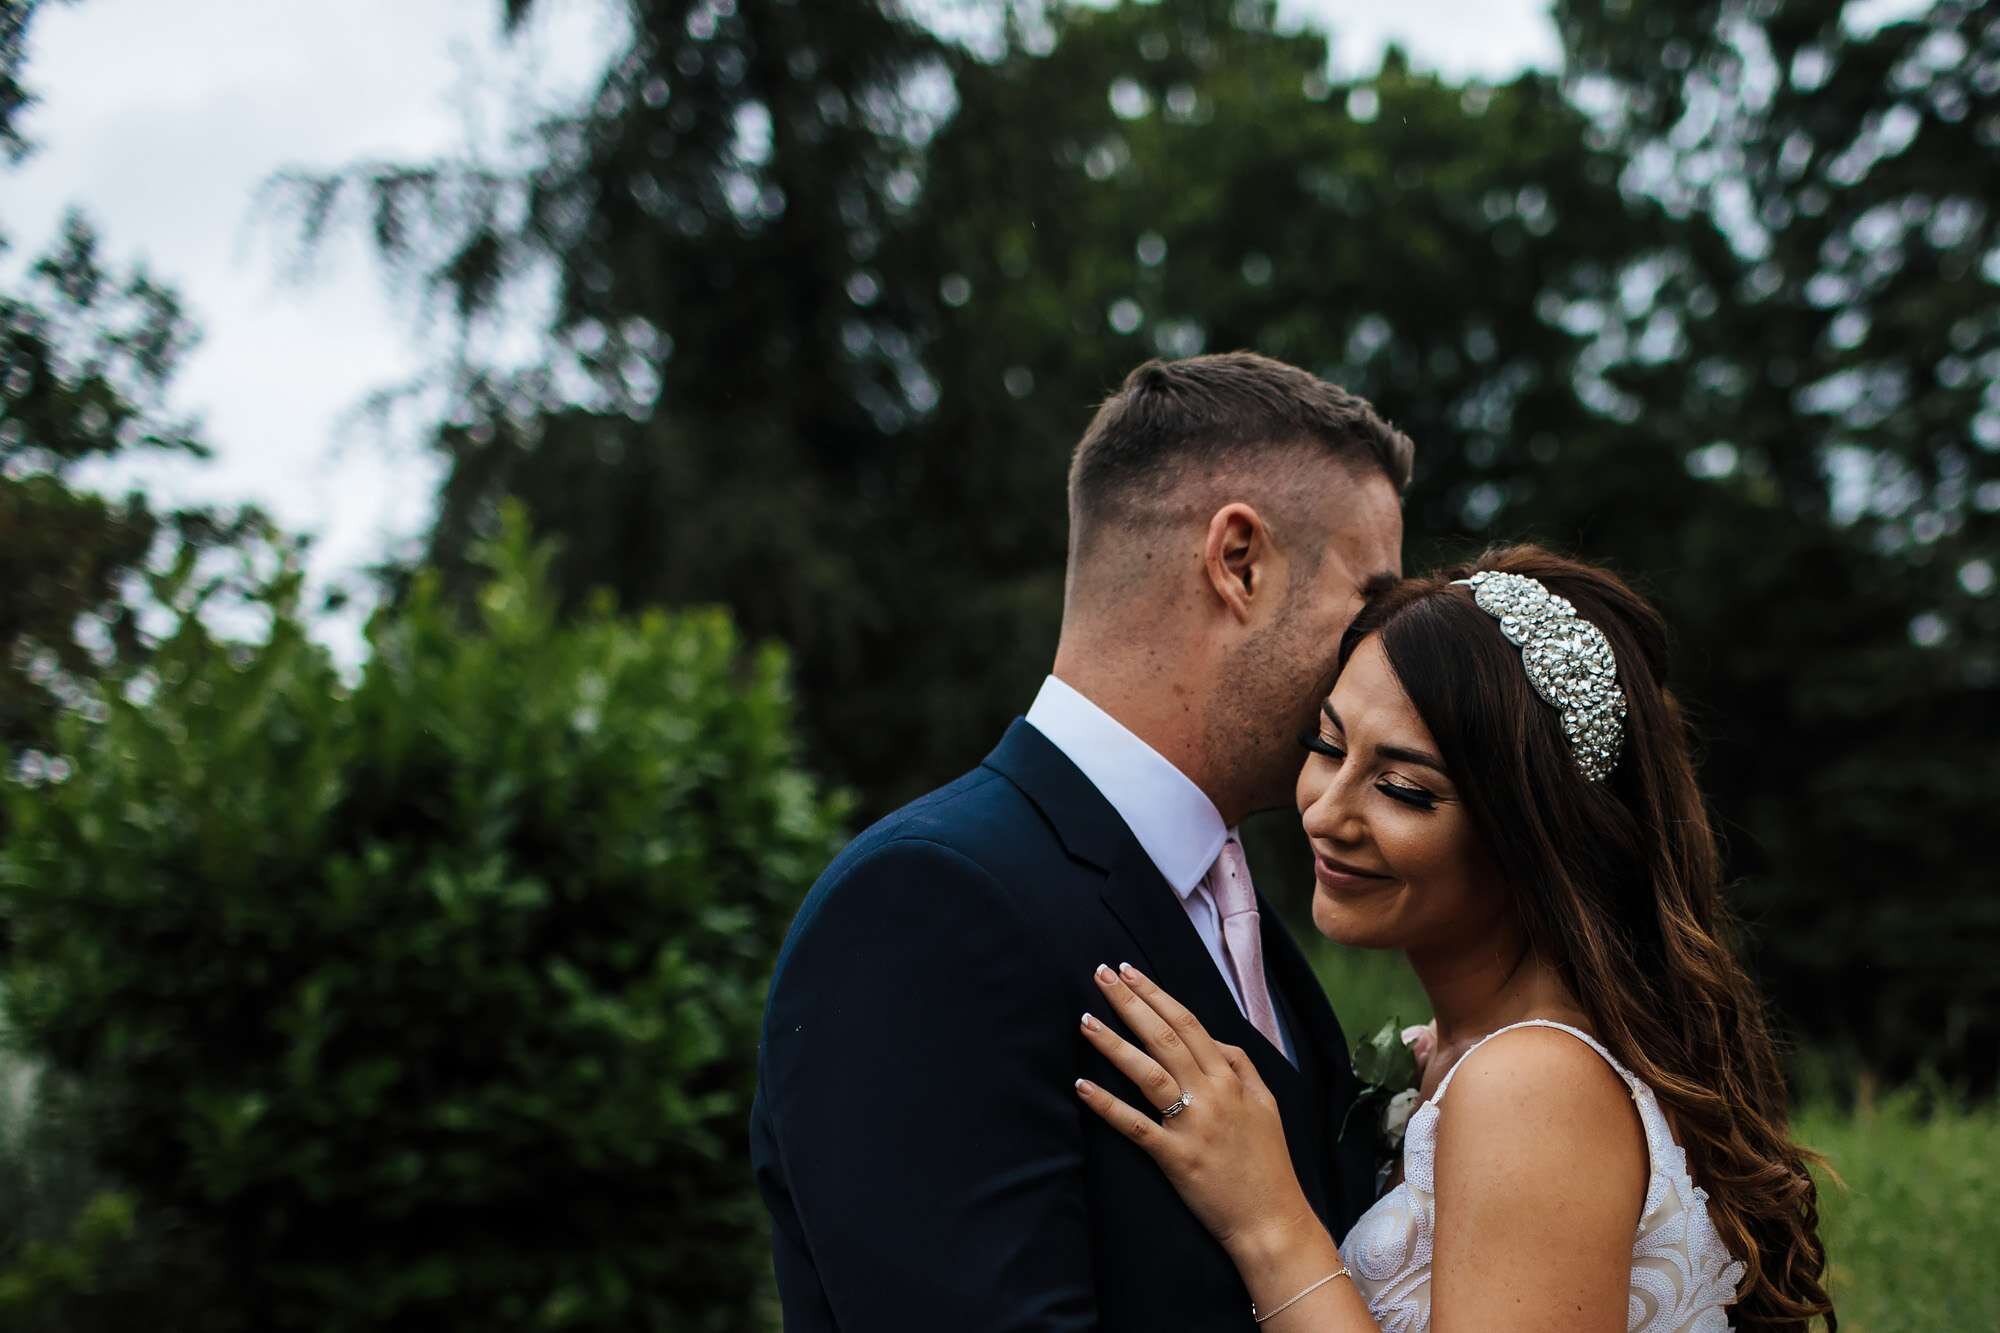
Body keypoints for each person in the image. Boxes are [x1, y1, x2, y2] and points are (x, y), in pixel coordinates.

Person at [750, 352, 1413, 1330]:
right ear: (1238, 562)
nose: (1379, 659)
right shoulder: (930, 905)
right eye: (1368, 607)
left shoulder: (1241, 915)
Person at [1071, 547, 1836, 1331]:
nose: (1326, 813)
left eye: (1403, 788)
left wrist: (1268, 1221)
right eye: (1328, 745)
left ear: (1533, 833)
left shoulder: (1532, 1084)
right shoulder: (1461, 1055)